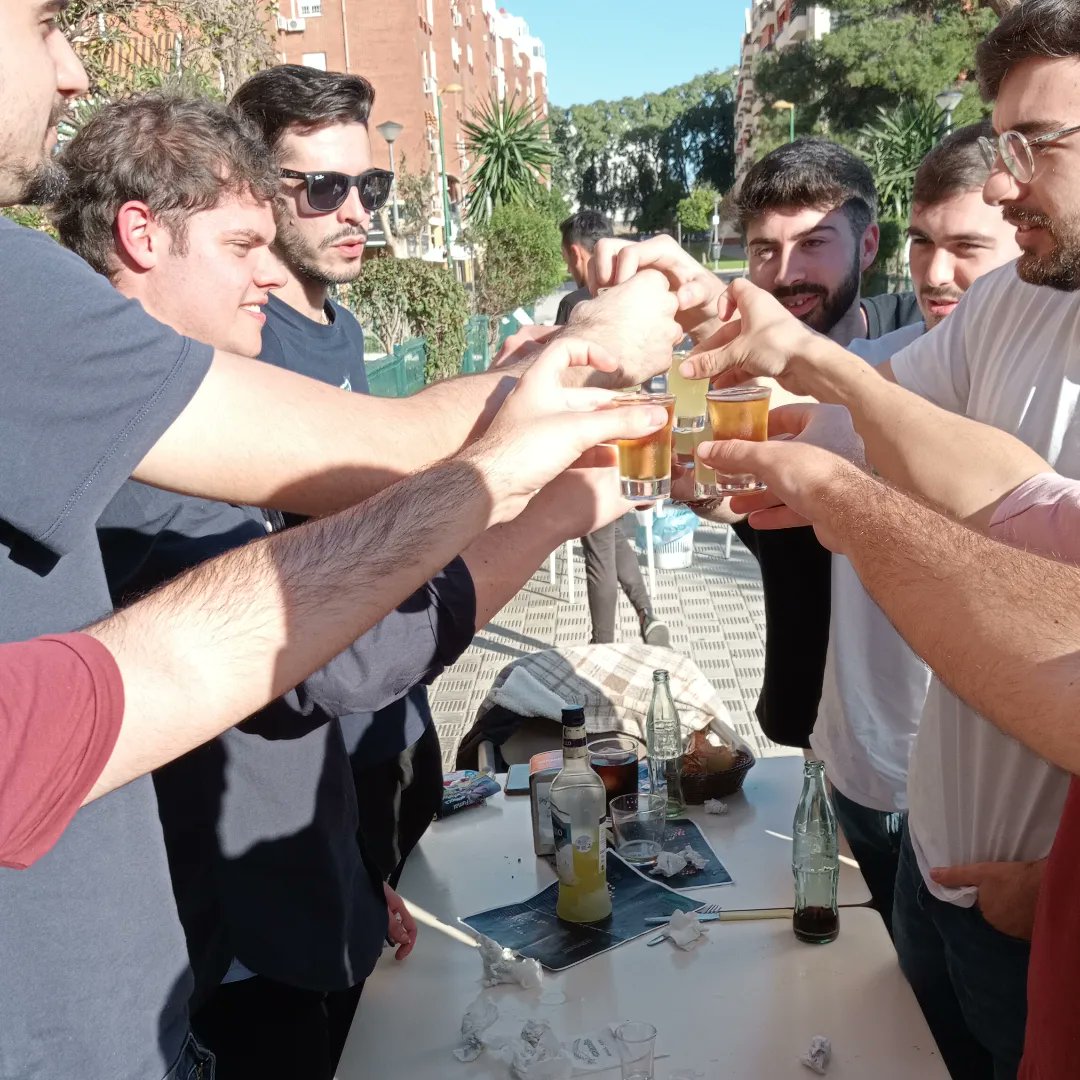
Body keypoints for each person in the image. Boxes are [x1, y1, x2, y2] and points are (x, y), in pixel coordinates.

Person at [0, 10, 682, 1077]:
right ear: (141, 236)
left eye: (369, 189)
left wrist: (342, 873)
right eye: (247, 244)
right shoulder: (104, 419)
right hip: (193, 957)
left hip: (223, 928)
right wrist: (572, 398)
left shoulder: (299, 339)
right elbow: (322, 637)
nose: (268, 282)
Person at [809, 121, 1021, 933]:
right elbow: (787, 435)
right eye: (921, 241)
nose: (936, 273)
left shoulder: (1040, 394)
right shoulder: (892, 367)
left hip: (979, 825)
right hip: (858, 764)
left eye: (967, 245)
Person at [724, 138, 922, 751]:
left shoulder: (929, 340)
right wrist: (704, 488)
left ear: (867, 245)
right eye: (765, 250)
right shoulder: (738, 374)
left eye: (813, 243)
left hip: (926, 721)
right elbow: (747, 512)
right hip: (808, 710)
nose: (786, 275)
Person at [554, 209, 668, 646]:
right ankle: (649, 616)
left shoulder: (577, 305)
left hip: (594, 437)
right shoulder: (637, 298)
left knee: (597, 548)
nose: (570, 268)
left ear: (577, 253)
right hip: (638, 437)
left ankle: (601, 646)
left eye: (568, 260)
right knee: (612, 535)